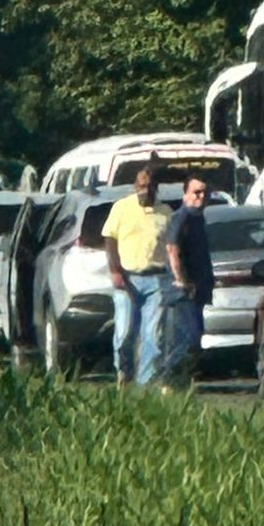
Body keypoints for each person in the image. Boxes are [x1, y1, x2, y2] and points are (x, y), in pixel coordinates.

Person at [103, 164, 171, 386]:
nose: (146, 190)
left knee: (153, 335)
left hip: (156, 279)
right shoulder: (121, 208)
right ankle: (123, 374)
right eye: (142, 186)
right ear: (135, 186)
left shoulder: (166, 213)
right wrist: (115, 271)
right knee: (124, 332)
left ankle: (146, 382)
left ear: (157, 188)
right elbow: (110, 240)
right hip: (127, 279)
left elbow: (173, 247)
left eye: (150, 187)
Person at [160, 174, 214, 387]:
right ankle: (169, 383)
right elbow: (172, 249)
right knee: (185, 339)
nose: (201, 196)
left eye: (204, 192)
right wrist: (181, 280)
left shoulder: (198, 218)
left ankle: (183, 383)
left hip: (198, 290)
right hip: (182, 293)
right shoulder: (182, 217)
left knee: (194, 339)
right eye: (196, 192)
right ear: (185, 195)